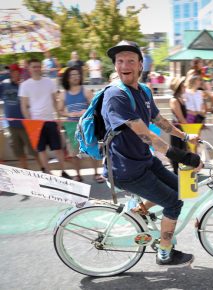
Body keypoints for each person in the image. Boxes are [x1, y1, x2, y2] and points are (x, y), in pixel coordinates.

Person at [102, 40, 202, 266]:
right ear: (115, 66)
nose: (124, 65)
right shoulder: (115, 95)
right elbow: (145, 134)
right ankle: (165, 253)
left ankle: (140, 210)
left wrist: (184, 137)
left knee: (180, 189)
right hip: (126, 170)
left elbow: (159, 120)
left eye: (130, 60)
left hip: (144, 161)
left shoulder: (144, 90)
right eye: (119, 61)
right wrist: (183, 156)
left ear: (140, 65)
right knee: (173, 204)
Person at [19, 59, 71, 178]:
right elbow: (24, 106)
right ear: (29, 69)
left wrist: (58, 118)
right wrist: (30, 123)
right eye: (34, 67)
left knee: (57, 148)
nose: (37, 69)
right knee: (41, 150)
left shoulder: (49, 82)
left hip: (50, 121)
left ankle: (63, 172)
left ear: (41, 68)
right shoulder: (25, 85)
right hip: (35, 122)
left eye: (38, 66)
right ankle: (47, 173)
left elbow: (54, 101)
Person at [58, 66, 104, 182]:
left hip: (87, 126)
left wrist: (86, 111)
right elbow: (60, 110)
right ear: (67, 78)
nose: (75, 77)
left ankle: (97, 174)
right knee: (73, 152)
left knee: (92, 149)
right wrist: (68, 113)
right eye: (72, 75)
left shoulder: (86, 91)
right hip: (71, 127)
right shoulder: (63, 94)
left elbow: (96, 106)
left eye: (77, 75)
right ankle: (77, 175)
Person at [0, 64, 41, 169]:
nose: (15, 75)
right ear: (10, 74)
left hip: (26, 124)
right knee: (18, 151)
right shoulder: (4, 85)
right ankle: (25, 171)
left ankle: (44, 169)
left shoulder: (25, 86)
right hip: (11, 125)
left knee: (34, 149)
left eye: (17, 73)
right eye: (13, 72)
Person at [169, 76, 188, 174]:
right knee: (177, 150)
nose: (185, 86)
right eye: (183, 84)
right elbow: (181, 118)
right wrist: (188, 129)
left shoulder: (181, 99)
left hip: (181, 128)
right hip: (177, 129)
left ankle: (181, 171)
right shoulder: (174, 100)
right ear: (179, 87)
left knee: (182, 150)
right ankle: (176, 172)